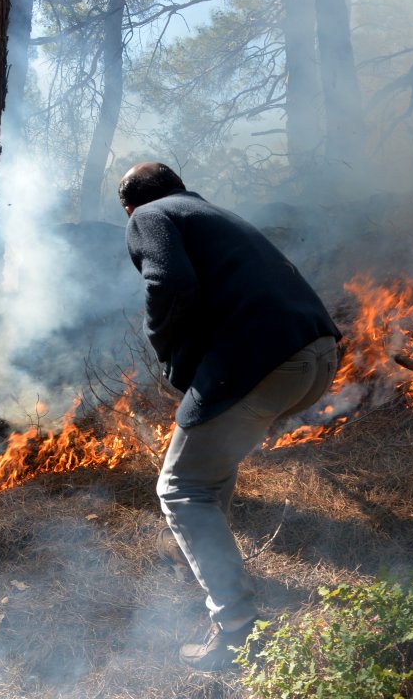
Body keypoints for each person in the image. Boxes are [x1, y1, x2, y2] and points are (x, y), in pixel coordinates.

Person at [120, 162, 342, 670]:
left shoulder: (149, 216)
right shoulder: (211, 212)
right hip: (316, 353)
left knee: (180, 488)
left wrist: (162, 342)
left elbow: (169, 282)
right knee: (210, 467)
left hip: (262, 359)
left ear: (130, 206)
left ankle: (240, 629)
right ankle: (195, 557)